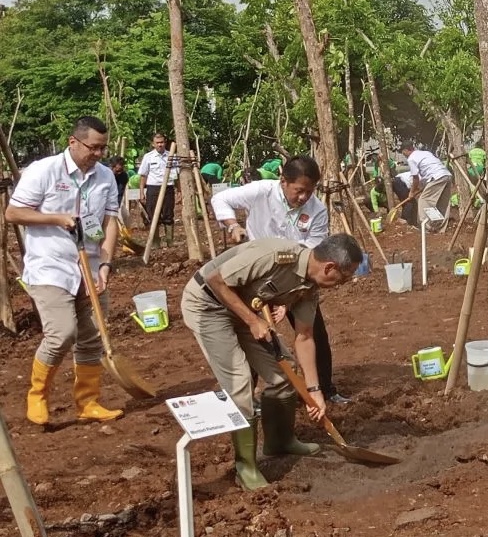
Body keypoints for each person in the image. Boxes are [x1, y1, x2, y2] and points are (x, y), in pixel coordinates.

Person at [181, 234, 363, 490]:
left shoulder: (310, 287)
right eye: (344, 277)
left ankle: (280, 441)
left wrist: (314, 391)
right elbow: (216, 280)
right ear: (329, 267)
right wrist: (253, 321)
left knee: (284, 377)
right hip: (208, 304)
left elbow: (305, 336)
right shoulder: (275, 257)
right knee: (240, 382)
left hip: (244, 309)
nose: (344, 283)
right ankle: (245, 468)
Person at [6, 116, 124, 426]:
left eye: (103, 148)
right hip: (51, 267)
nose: (99, 154)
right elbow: (13, 213)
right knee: (62, 333)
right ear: (73, 142)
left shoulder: (105, 177)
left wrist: (106, 265)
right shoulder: (43, 171)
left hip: (91, 267)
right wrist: (56, 218)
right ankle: (38, 395)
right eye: (93, 147)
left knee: (92, 336)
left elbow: (111, 221)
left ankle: (88, 402)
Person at [210, 156, 350, 406]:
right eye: (299, 191)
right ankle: (248, 398)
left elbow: (314, 248)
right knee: (253, 333)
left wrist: (289, 298)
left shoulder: (317, 210)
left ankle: (324, 389)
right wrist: (233, 225)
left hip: (295, 279)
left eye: (309, 192)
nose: (304, 197)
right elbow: (221, 199)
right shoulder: (262, 191)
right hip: (257, 277)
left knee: (312, 331)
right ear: (283, 181)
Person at [400, 142, 452, 231]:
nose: (404, 155)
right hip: (446, 175)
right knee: (443, 203)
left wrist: (411, 192)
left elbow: (415, 178)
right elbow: (424, 175)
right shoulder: (425, 153)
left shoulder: (411, 159)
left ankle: (426, 227)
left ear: (406, 150)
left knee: (424, 200)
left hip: (436, 177)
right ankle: (440, 228)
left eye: (403, 152)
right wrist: (420, 188)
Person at [138, 133, 178, 243]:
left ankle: (170, 241)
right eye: (157, 143)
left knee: (168, 214)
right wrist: (142, 192)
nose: (160, 145)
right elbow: (143, 175)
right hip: (153, 189)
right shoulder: (148, 157)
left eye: (162, 142)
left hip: (168, 188)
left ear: (165, 143)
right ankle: (155, 242)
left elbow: (177, 175)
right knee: (153, 215)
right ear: (153, 144)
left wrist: (179, 190)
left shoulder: (172, 156)